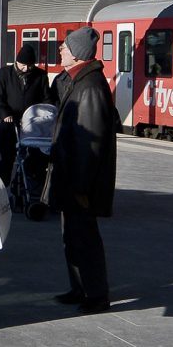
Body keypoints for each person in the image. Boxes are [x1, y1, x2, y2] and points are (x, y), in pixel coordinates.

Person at [50, 27, 116, 312]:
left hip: (81, 182)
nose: (60, 50)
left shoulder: (89, 87)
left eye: (64, 47)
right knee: (72, 236)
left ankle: (96, 295)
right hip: (70, 177)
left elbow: (91, 143)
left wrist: (80, 187)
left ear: (77, 54)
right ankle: (79, 288)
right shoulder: (77, 80)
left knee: (85, 238)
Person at [0, 41, 49, 184]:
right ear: (17, 61)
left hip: (33, 124)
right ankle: (2, 187)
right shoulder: (5, 73)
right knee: (7, 158)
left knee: (34, 157)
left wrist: (44, 115)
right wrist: (5, 113)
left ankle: (30, 187)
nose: (26, 68)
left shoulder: (40, 76)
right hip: (10, 124)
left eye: (30, 65)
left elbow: (47, 98)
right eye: (23, 65)